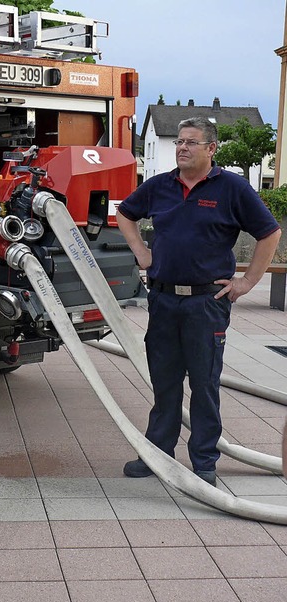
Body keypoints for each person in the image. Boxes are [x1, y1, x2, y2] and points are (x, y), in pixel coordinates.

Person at [117, 116, 281, 486]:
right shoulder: (159, 186)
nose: (181, 148)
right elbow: (125, 213)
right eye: (178, 142)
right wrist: (141, 249)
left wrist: (248, 281)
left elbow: (270, 232)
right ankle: (158, 453)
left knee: (204, 385)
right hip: (163, 300)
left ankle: (204, 461)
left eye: (191, 142)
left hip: (206, 304)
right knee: (165, 381)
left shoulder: (232, 189)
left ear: (211, 148)